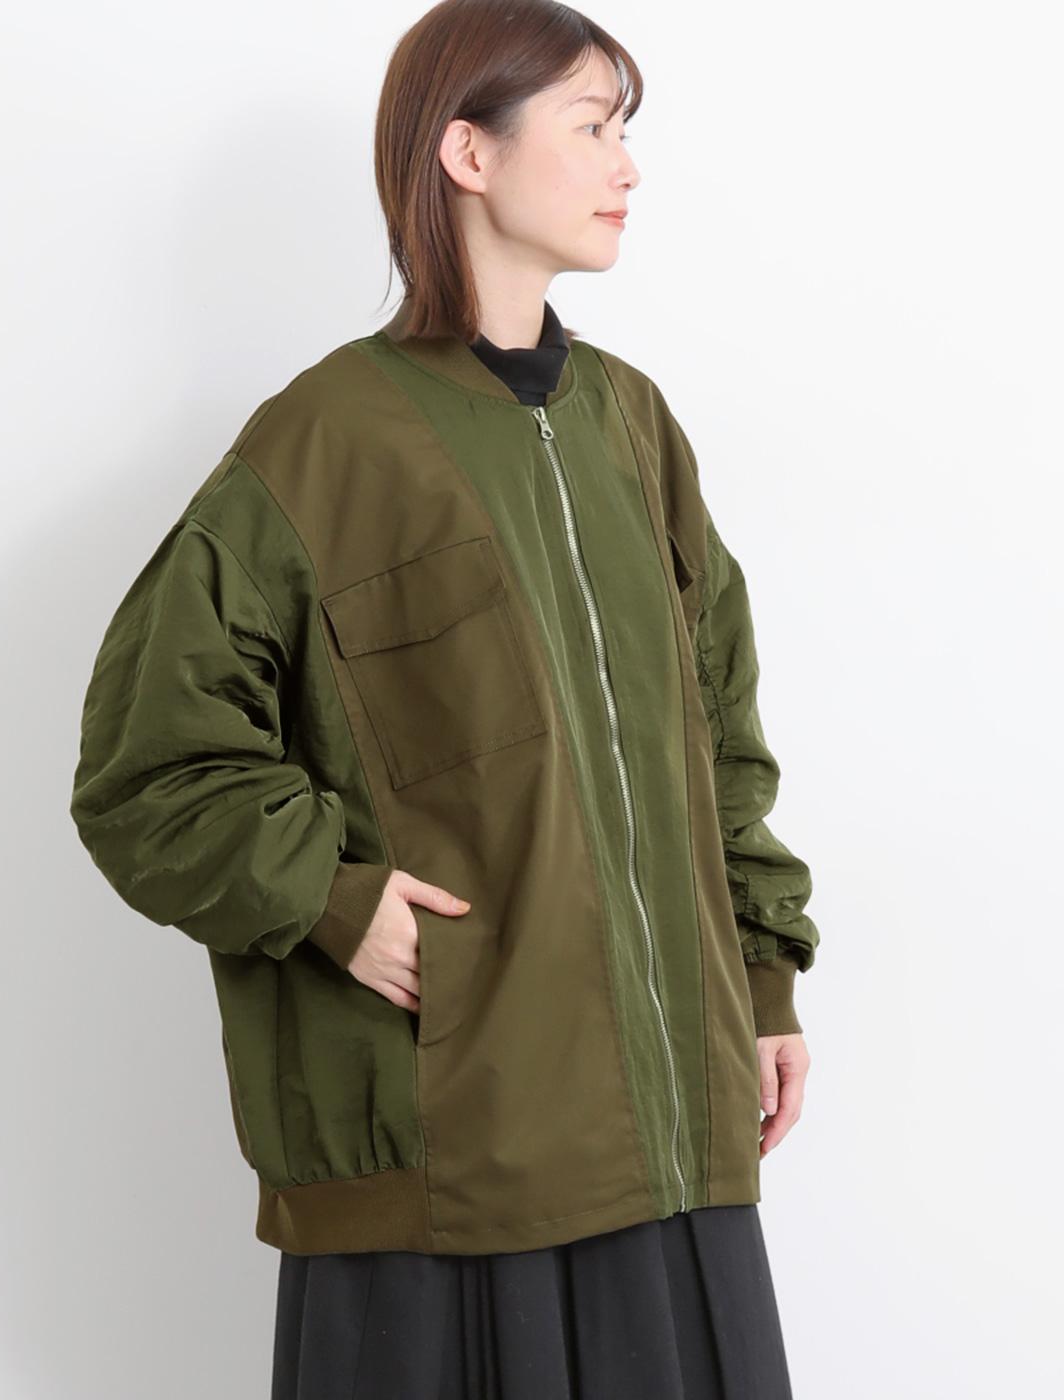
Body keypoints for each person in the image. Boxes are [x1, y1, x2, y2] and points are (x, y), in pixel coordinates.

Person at [70, 2, 821, 1396]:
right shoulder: (324, 442)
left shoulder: (634, 426)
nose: (628, 166)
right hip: (453, 1159)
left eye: (626, 131)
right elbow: (148, 766)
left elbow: (720, 731)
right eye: (592, 127)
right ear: (469, 154)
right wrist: (331, 897)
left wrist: (762, 979)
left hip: (676, 1136)